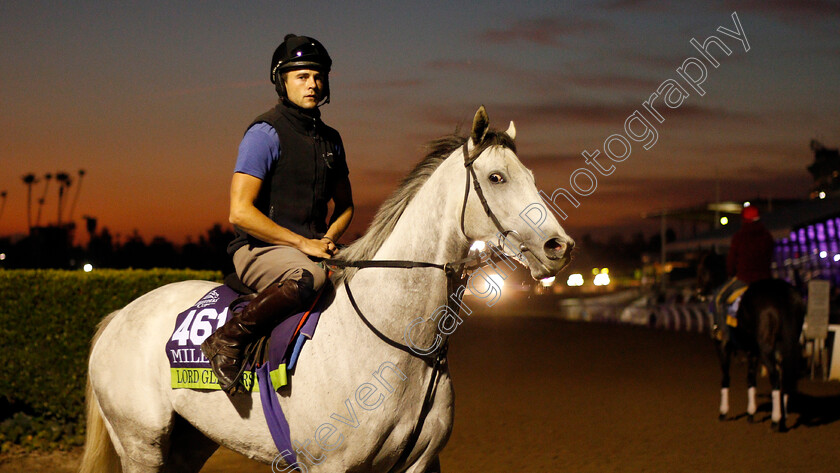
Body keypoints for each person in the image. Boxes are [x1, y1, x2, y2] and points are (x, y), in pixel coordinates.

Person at [201, 34, 354, 394]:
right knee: (310, 278)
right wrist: (306, 244)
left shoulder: (332, 139)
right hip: (258, 249)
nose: (312, 84)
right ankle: (228, 339)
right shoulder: (264, 133)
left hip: (312, 247)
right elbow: (239, 213)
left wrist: (329, 237)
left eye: (318, 76)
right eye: (301, 76)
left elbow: (346, 207)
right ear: (281, 81)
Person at [712, 206, 774, 341]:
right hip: (766, 279)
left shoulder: (739, 237)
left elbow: (731, 261)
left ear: (744, 220)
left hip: (745, 278)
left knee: (718, 298)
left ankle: (723, 332)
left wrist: (731, 273)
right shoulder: (767, 236)